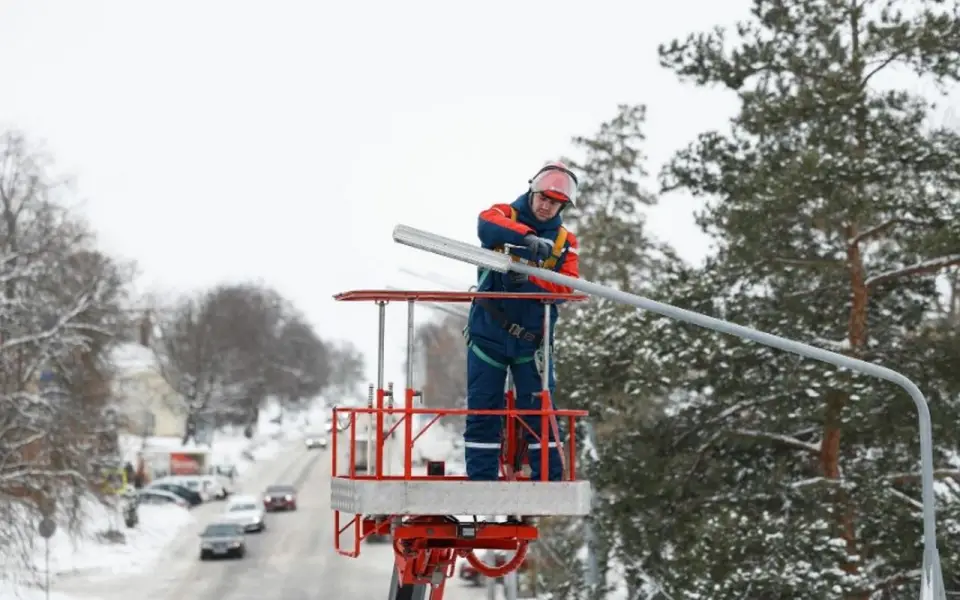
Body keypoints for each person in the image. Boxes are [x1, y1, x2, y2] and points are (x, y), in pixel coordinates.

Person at [463, 160, 581, 483]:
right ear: (533, 190)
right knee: (483, 408)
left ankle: (548, 480)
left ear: (562, 206)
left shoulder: (564, 243)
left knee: (540, 412)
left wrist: (529, 281)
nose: (545, 206)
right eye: (543, 197)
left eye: (554, 202)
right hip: (488, 333)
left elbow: (566, 287)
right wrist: (527, 239)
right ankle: (481, 481)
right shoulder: (505, 215)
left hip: (532, 342)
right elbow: (484, 224)